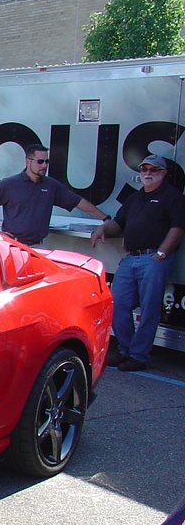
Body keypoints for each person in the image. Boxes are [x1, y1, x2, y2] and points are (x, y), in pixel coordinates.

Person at [91, 154, 185, 372]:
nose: (148, 173)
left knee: (149, 309)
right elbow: (119, 224)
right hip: (131, 257)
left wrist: (162, 253)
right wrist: (103, 228)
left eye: (154, 170)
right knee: (118, 304)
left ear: (164, 173)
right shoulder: (135, 198)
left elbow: (177, 228)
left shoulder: (172, 197)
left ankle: (139, 356)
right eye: (144, 170)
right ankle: (125, 349)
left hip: (153, 259)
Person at [0, 143, 109, 246]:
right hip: (12, 245)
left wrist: (105, 218)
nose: (44, 165)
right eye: (40, 161)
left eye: (47, 162)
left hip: (37, 246)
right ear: (28, 161)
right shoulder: (10, 184)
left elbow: (78, 202)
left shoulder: (50, 185)